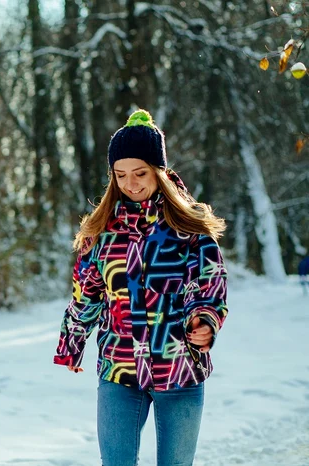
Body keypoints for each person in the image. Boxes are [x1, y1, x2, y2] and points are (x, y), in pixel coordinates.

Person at [54, 109, 229, 466]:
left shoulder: (189, 229)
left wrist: (205, 320)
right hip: (120, 369)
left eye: (140, 173)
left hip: (178, 367)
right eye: (120, 176)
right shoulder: (101, 233)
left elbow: (208, 283)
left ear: (159, 172)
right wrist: (72, 342)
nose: (131, 184)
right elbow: (86, 293)